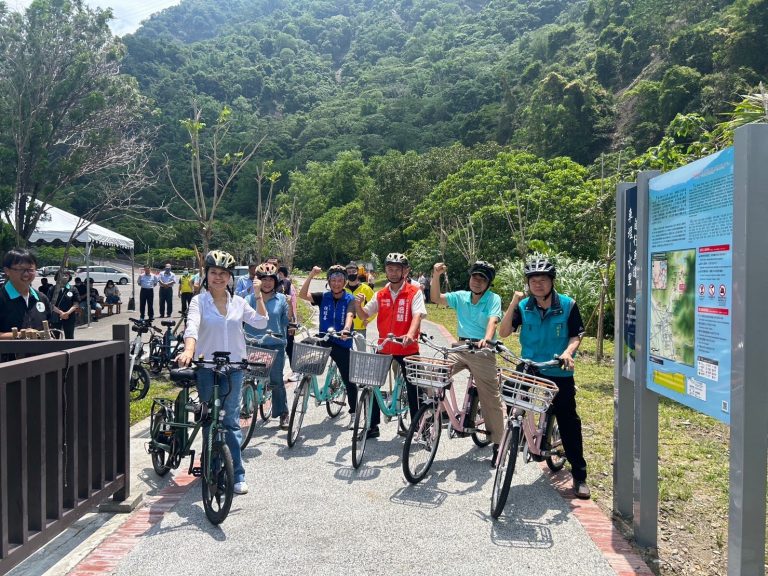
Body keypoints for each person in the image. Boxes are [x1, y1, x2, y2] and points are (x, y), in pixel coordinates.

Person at [176, 250, 268, 495]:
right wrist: (188, 350)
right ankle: (211, 467)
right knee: (209, 419)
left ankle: (237, 473)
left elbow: (260, 322)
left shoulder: (239, 302)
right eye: (214, 272)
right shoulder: (199, 301)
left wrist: (258, 296)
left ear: (230, 277)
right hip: (207, 368)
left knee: (230, 421)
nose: (218, 277)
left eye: (223, 273)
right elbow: (192, 326)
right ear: (206, 275)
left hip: (235, 368)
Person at [498, 257, 590, 499]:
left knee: (568, 419)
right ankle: (518, 433)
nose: (537, 284)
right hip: (530, 365)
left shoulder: (568, 305)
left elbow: (575, 335)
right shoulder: (524, 305)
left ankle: (579, 475)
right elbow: (504, 332)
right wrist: (513, 302)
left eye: (543, 280)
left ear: (552, 281)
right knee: (509, 391)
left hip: (557, 368)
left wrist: (568, 353)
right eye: (533, 280)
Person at [430, 260, 505, 465]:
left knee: (490, 398)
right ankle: (442, 414)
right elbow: (436, 298)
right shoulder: (461, 296)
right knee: (433, 374)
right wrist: (435, 275)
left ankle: (498, 443)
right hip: (461, 347)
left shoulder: (493, 299)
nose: (477, 281)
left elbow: (493, 320)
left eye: (482, 278)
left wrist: (487, 340)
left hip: (483, 351)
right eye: (475, 277)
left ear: (489, 283)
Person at [355, 252, 426, 438]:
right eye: (390, 269)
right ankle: (372, 426)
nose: (393, 272)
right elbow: (364, 315)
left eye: (397, 269)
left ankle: (418, 426)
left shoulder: (414, 292)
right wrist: (358, 305)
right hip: (384, 347)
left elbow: (417, 315)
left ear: (405, 271)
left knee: (415, 388)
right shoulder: (381, 294)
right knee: (372, 382)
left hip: (407, 347)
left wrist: (410, 334)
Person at [298, 265, 356, 428]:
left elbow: (350, 314)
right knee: (306, 345)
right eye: (333, 280)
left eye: (339, 280)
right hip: (325, 338)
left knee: (349, 379)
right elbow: (303, 295)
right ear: (328, 282)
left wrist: (346, 329)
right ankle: (302, 378)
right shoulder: (323, 297)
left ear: (344, 282)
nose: (336, 283)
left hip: (341, 341)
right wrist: (311, 274)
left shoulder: (350, 299)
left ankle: (354, 412)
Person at [244, 263, 291, 428]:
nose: (267, 282)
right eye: (263, 279)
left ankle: (283, 413)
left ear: (275, 281)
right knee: (245, 377)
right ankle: (244, 407)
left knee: (276, 380)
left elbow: (286, 322)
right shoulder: (248, 299)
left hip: (275, 345)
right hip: (252, 343)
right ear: (257, 280)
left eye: (271, 279)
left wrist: (291, 308)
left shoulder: (282, 299)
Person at [0, 248, 53, 339]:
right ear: (7, 271)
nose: (26, 274)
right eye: (20, 269)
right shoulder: (2, 297)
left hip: (42, 353)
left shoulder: (42, 298)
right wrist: (21, 334)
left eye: (30, 269)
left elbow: (48, 328)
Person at [344, 261, 374, 351]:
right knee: (345, 352)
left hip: (360, 326)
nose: (351, 274)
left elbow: (375, 306)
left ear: (358, 272)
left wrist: (368, 319)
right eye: (349, 272)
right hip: (345, 326)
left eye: (353, 271)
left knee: (361, 352)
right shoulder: (342, 289)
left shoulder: (366, 289)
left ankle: (361, 365)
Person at [50, 270, 80, 339]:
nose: (64, 277)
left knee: (69, 337)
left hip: (69, 316)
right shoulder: (52, 289)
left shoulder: (73, 289)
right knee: (54, 337)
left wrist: (67, 313)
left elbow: (76, 303)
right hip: (55, 316)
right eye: (62, 275)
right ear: (57, 277)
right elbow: (50, 303)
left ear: (69, 277)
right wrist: (61, 313)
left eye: (66, 275)